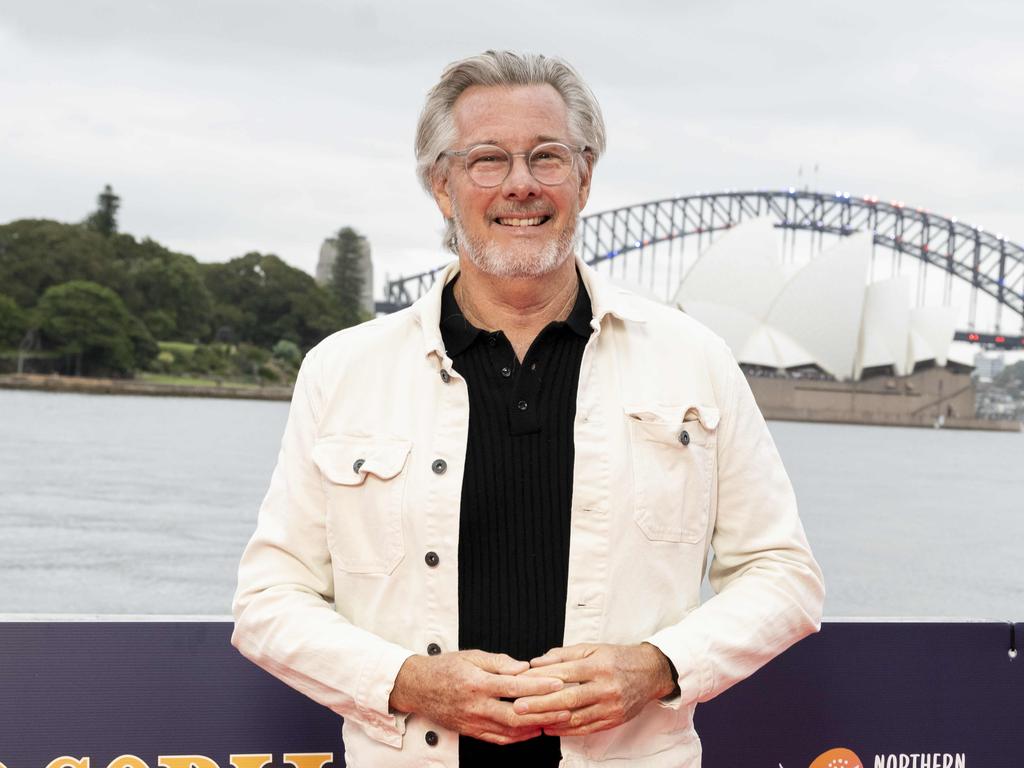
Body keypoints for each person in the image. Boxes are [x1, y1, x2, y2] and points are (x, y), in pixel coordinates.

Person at [231, 50, 825, 767]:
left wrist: (659, 666)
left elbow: (783, 576)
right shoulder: (344, 371)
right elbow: (268, 603)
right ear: (441, 186)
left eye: (547, 157)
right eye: (487, 160)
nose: (520, 185)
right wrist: (408, 682)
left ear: (585, 176)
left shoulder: (692, 360)